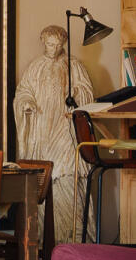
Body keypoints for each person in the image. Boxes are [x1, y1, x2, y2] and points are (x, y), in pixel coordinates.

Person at [9, 21, 94, 245]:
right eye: (49, 45)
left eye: (57, 45)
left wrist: (75, 93)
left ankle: (73, 239)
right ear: (43, 43)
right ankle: (47, 243)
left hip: (66, 131)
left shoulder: (73, 65)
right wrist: (26, 104)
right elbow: (23, 93)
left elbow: (87, 93)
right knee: (45, 180)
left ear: (63, 44)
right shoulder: (35, 67)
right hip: (43, 131)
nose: (53, 49)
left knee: (67, 176)